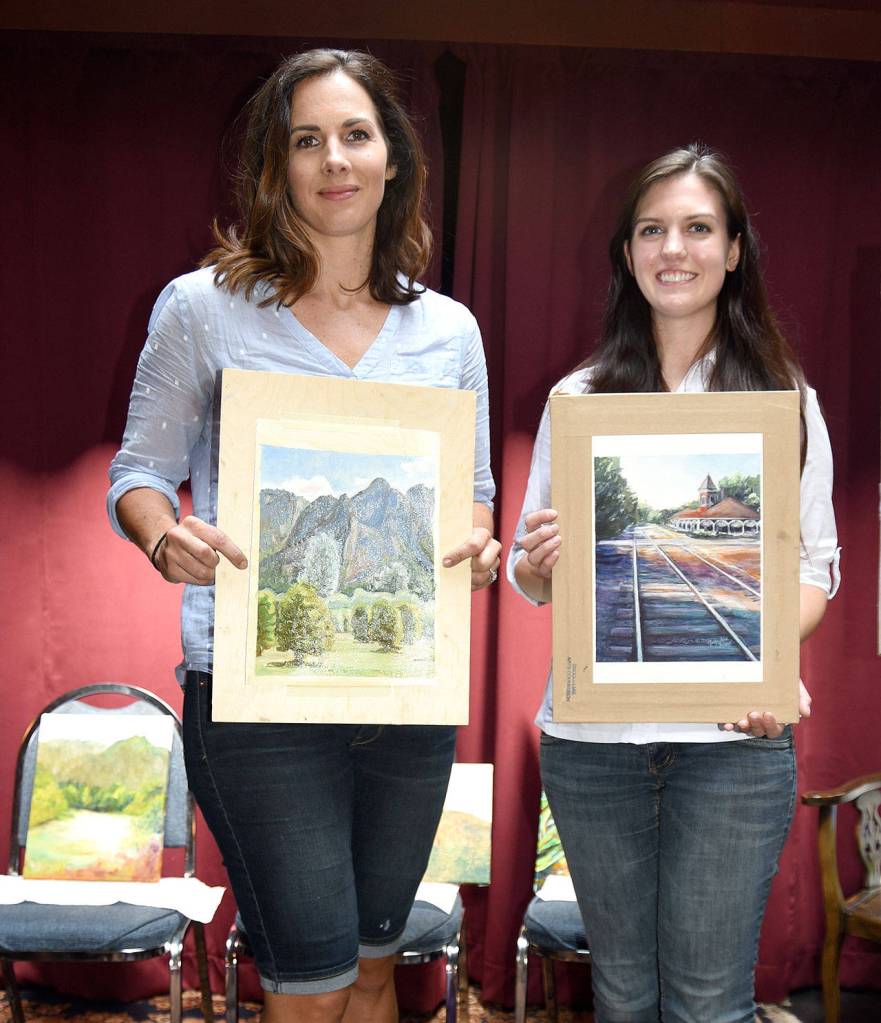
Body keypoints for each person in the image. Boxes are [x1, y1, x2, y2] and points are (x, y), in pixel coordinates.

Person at [108, 49, 499, 1023]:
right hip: (253, 706)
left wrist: (480, 546)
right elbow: (139, 476)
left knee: (375, 967)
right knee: (310, 980)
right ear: (276, 167)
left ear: (392, 159)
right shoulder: (202, 310)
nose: (334, 159)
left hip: (409, 698)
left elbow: (475, 494)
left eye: (355, 135)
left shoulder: (447, 331)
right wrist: (166, 542)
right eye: (306, 140)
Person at [507, 144, 838, 1023]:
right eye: (652, 230)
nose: (673, 250)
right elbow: (527, 576)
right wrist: (537, 564)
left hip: (735, 743)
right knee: (619, 994)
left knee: (705, 1001)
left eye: (698, 228)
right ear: (626, 253)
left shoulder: (783, 401)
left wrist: (763, 664)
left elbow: (811, 571)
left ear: (733, 250)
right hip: (591, 747)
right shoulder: (575, 400)